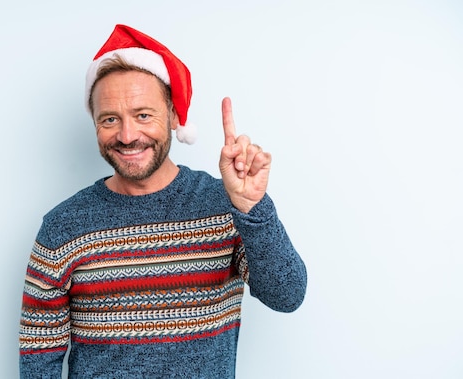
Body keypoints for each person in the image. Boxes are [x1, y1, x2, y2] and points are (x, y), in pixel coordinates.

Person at [19, 24, 307, 379]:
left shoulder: (225, 205)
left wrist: (253, 210)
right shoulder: (63, 226)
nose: (127, 135)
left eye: (143, 115)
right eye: (110, 119)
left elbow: (287, 295)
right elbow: (38, 356)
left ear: (173, 115)